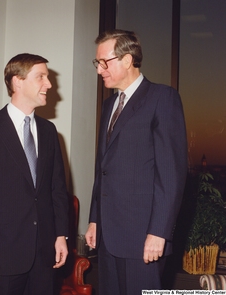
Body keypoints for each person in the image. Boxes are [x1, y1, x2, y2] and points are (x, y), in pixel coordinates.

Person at [85, 30, 188, 294]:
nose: (99, 70)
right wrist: (95, 219)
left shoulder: (162, 99)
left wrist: (159, 233)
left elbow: (171, 175)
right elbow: (103, 169)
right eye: (97, 63)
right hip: (108, 236)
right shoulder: (109, 106)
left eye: (103, 62)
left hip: (143, 238)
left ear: (127, 60)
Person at [0, 53, 69, 295]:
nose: (49, 84)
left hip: (45, 255)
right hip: (3, 257)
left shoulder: (50, 131)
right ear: (17, 81)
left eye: (48, 77)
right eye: (41, 77)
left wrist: (61, 235)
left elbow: (57, 190)